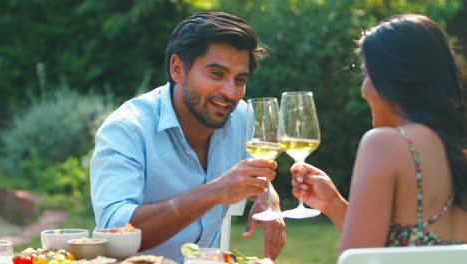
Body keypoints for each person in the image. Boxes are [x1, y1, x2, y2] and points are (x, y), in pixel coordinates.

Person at [253, 13, 466, 264]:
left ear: (390, 79)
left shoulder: (386, 144)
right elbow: (399, 251)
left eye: (365, 75)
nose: (363, 88)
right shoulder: (456, 150)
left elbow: (356, 261)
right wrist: (333, 204)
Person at [90, 11, 286, 263]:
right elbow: (112, 234)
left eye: (239, 79)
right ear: (178, 69)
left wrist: (267, 198)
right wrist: (215, 191)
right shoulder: (127, 129)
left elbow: (256, 172)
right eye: (216, 74)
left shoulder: (242, 117)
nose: (230, 92)